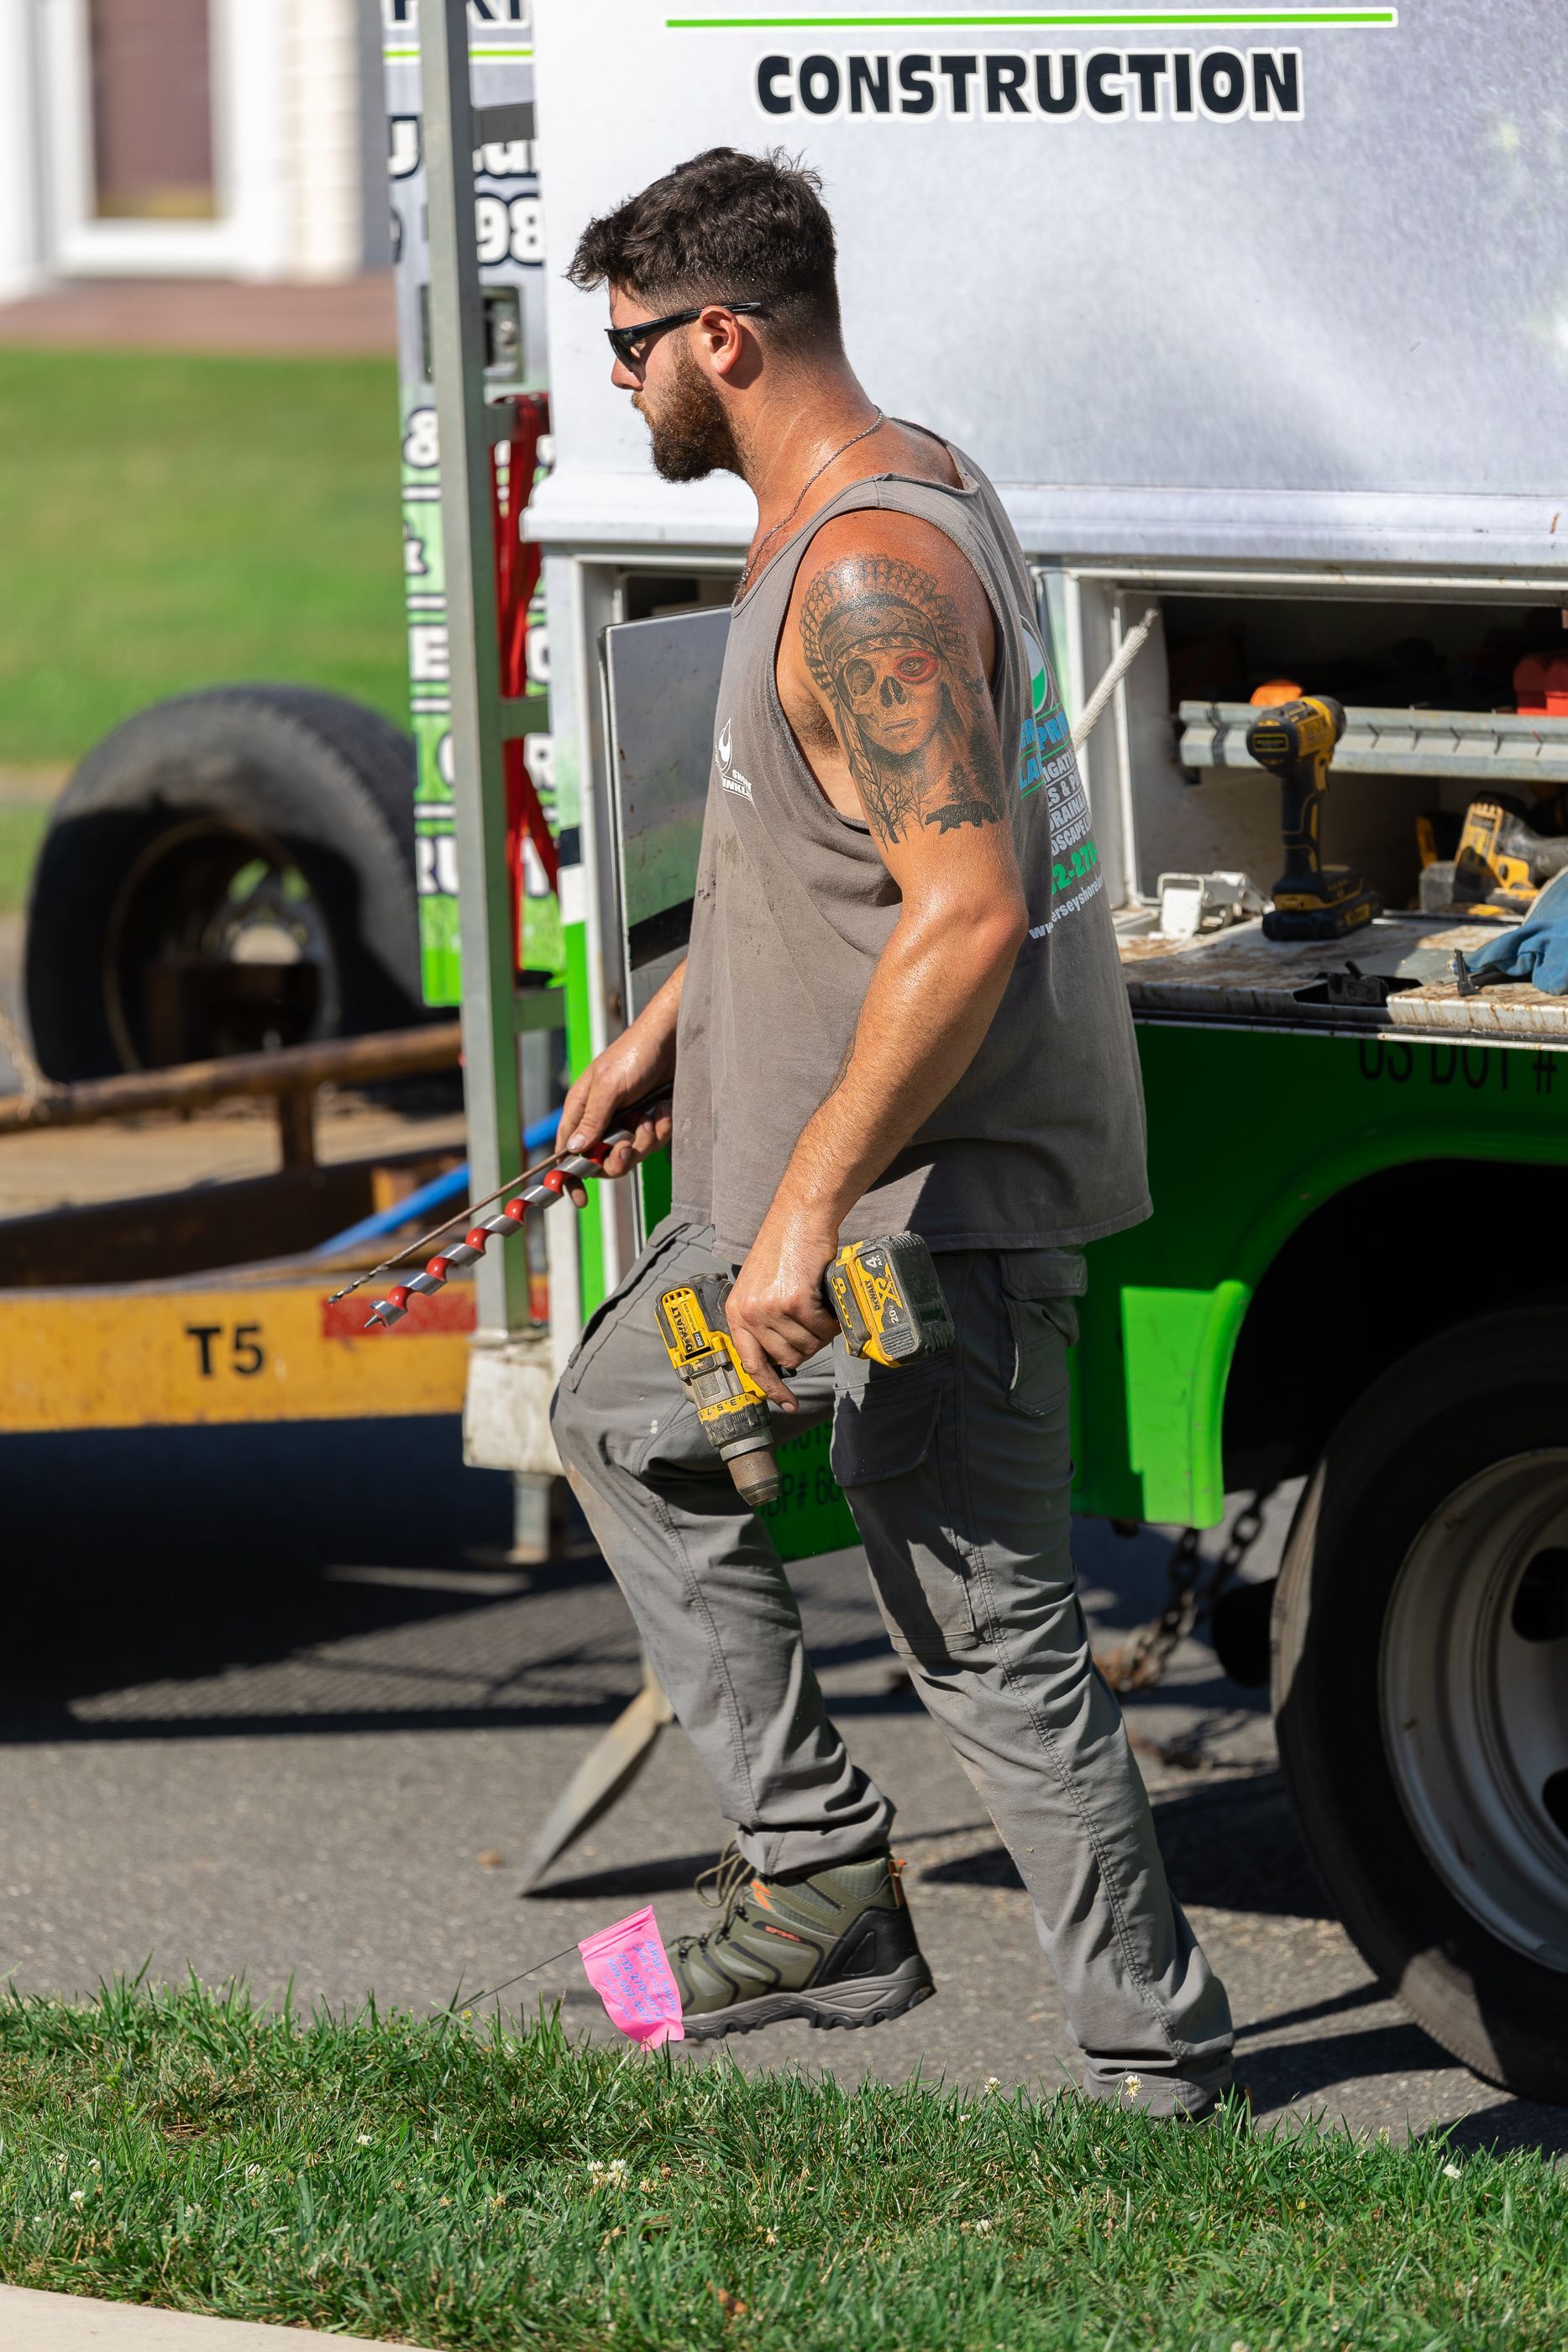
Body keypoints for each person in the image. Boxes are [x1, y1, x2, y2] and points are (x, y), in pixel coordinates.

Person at [550, 148, 1235, 2117]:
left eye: (628, 348)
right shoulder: (890, 488)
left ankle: (1148, 2065)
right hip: (826, 1202)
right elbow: (848, 845)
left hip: (906, 1224)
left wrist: (805, 1211)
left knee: (993, 1644)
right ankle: (823, 1875)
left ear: (723, 337)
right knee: (623, 1417)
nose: (620, 383)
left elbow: (966, 910)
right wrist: (667, 1027)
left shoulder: (863, 572)